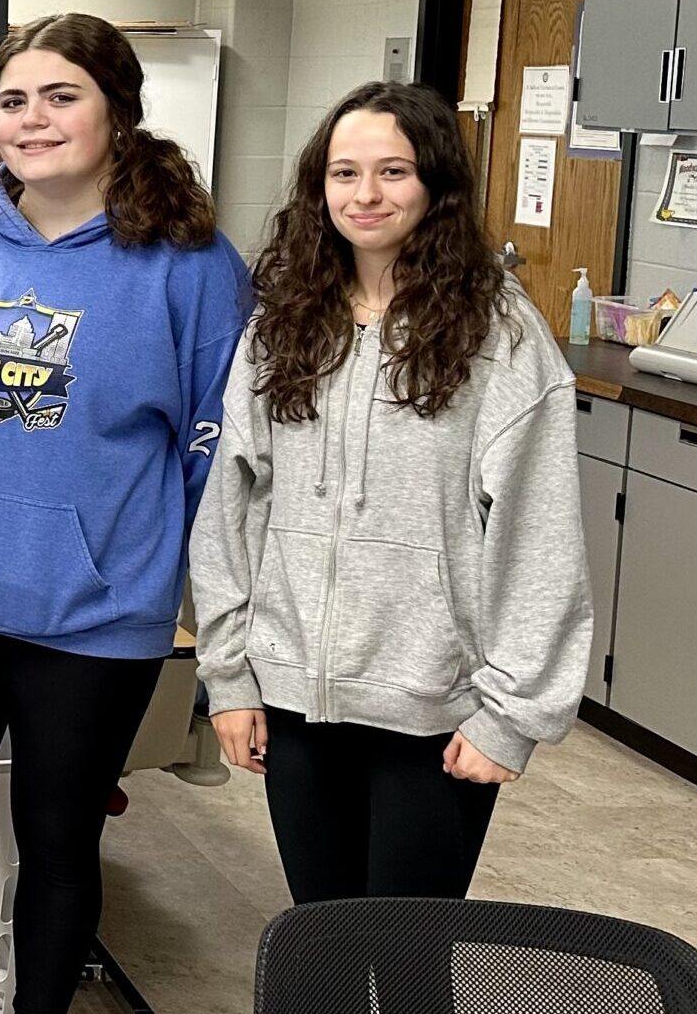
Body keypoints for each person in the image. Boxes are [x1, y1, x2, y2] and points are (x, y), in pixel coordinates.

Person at [0, 13, 250, 1013]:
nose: (31, 119)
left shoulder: (192, 263)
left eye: (60, 96)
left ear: (118, 111)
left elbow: (213, 444)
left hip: (92, 618)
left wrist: (130, 559)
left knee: (58, 840)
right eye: (12, 100)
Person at [191, 81, 590, 905]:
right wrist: (227, 676)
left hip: (435, 712)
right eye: (344, 173)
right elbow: (232, 506)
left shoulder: (500, 337)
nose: (365, 195)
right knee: (323, 947)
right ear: (319, 187)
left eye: (393, 172)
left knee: (409, 965)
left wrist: (510, 717)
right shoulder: (283, 323)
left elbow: (537, 535)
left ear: (437, 185)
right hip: (294, 699)